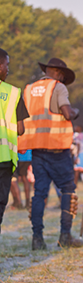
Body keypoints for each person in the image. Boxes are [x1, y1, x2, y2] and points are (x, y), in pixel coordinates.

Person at [20, 57, 82, 249]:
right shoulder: (58, 87)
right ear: (58, 73)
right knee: (68, 190)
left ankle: (37, 238)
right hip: (58, 148)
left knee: (39, 193)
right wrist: (75, 111)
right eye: (62, 75)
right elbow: (66, 113)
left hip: (37, 148)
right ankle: (65, 236)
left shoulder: (28, 89)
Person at [0, 48, 29, 233]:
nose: (8, 69)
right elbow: (20, 129)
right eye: (6, 65)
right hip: (4, 159)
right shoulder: (13, 93)